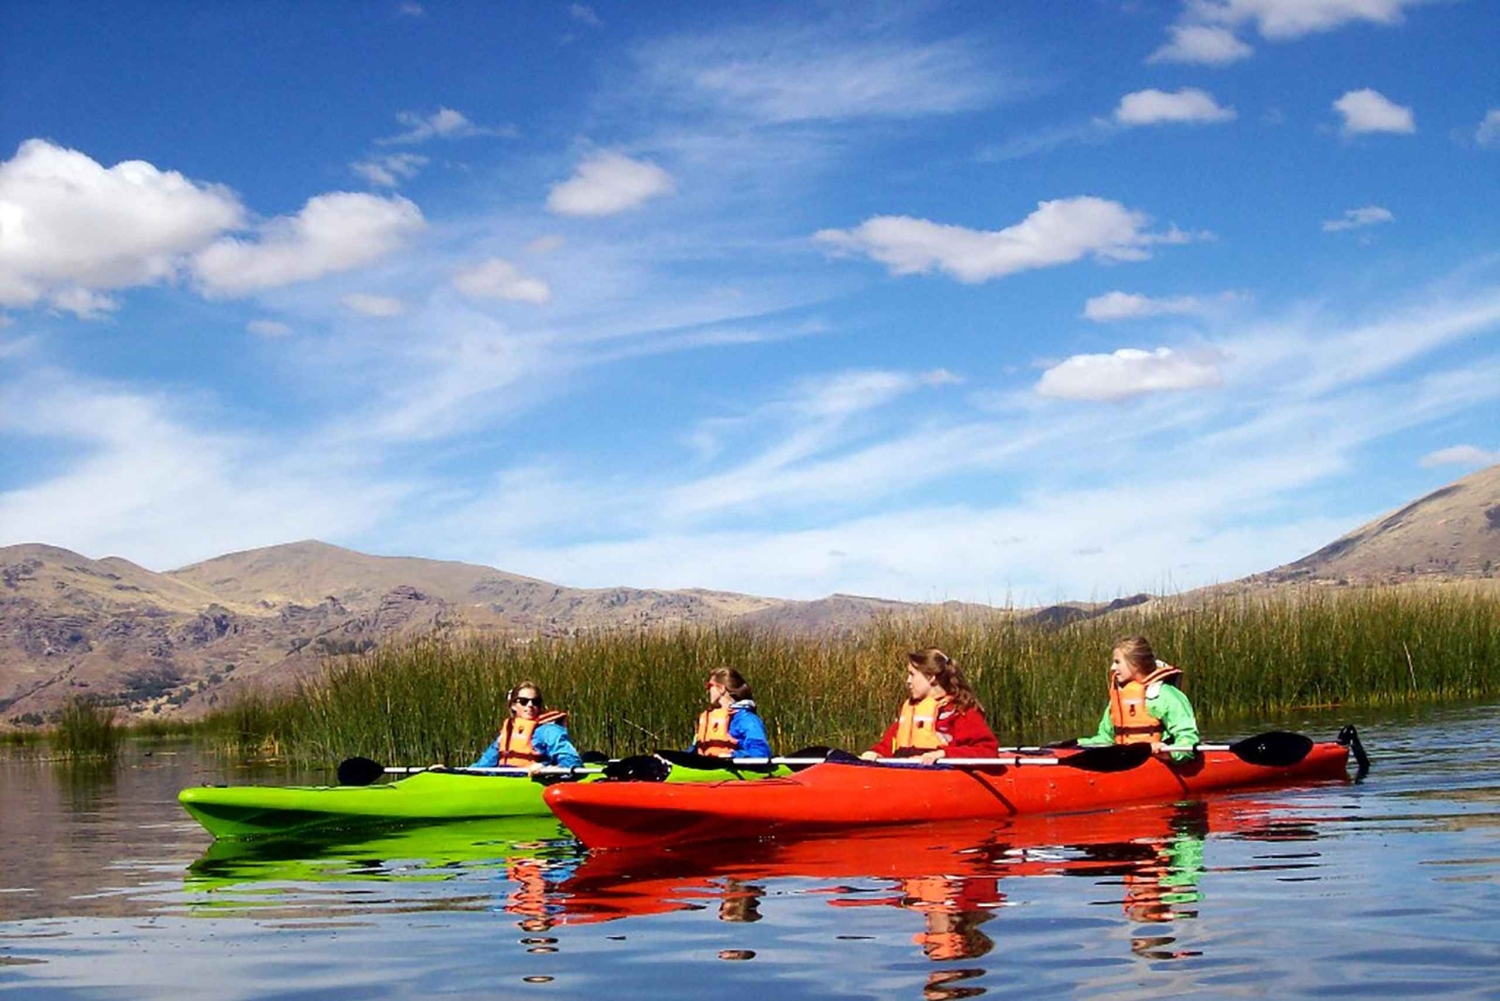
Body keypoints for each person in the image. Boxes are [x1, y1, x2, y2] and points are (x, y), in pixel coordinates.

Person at [862, 648, 1000, 764]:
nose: (907, 681)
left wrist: (942, 754)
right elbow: (888, 745)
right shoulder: (910, 709)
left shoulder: (959, 710)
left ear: (931, 677)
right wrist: (875, 753)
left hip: (941, 773)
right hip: (907, 772)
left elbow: (987, 750)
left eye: (912, 675)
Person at [1077, 636, 1199, 759]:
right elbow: (1105, 739)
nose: (1112, 668)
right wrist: (1076, 744)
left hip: (1159, 761)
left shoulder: (1166, 696)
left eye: (1117, 662)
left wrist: (1170, 753)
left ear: (1134, 663)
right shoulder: (1118, 699)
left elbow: (1188, 738)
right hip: (1124, 759)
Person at [472, 681, 583, 773]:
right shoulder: (508, 731)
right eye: (524, 701)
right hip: (506, 778)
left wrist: (548, 769)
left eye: (535, 702)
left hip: (532, 779)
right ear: (513, 706)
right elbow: (484, 764)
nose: (530, 705)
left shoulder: (549, 731)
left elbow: (571, 761)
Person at [689, 667, 772, 760]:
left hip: (732, 769)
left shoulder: (746, 719)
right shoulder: (707, 720)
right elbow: (693, 751)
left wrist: (734, 756)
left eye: (709, 686)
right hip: (706, 768)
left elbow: (761, 752)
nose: (707, 691)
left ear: (721, 689)